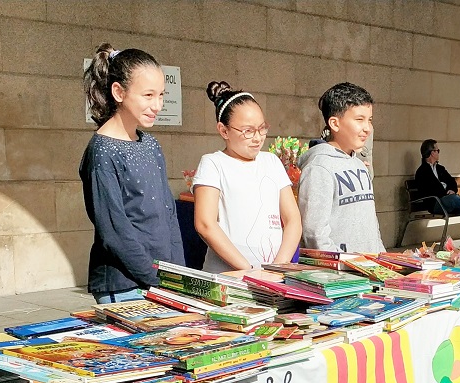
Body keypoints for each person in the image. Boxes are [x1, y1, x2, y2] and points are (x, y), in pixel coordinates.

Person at [80, 43, 185, 304]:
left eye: (161, 95)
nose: (157, 105)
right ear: (119, 92)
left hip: (162, 282)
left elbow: (169, 213)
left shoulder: (150, 144)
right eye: (148, 95)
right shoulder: (102, 152)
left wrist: (177, 275)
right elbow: (114, 231)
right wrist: (153, 278)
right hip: (124, 286)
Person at [192, 81, 302, 273]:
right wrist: (248, 270)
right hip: (229, 276)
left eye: (262, 128)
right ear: (224, 130)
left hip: (272, 276)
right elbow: (205, 224)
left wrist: (277, 268)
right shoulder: (213, 164)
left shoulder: (271, 162)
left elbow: (293, 220)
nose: (258, 138)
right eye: (248, 131)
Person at [298, 82, 385, 254]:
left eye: (369, 120)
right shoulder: (319, 167)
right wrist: (342, 263)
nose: (367, 128)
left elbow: (372, 224)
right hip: (342, 269)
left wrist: (382, 256)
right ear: (335, 123)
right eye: (359, 120)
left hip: (371, 265)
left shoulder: (360, 165)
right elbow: (314, 232)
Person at [414, 138, 460, 232]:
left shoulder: (440, 168)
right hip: (436, 203)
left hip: (448, 202)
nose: (438, 153)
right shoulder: (422, 172)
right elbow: (428, 191)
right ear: (432, 153)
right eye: (437, 150)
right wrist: (445, 192)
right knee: (455, 199)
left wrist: (451, 189)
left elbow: (452, 182)